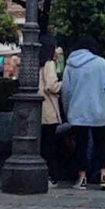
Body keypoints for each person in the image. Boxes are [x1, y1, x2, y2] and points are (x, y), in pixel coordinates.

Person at [61, 37, 105, 190]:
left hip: (77, 112)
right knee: (101, 144)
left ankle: (82, 177)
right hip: (98, 111)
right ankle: (104, 176)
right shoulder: (101, 63)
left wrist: (68, 111)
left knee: (81, 145)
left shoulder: (70, 66)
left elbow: (65, 91)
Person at [39, 46, 64, 182]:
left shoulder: (38, 64)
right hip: (48, 108)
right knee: (49, 144)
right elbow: (51, 86)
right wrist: (64, 83)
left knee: (44, 143)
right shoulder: (49, 64)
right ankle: (50, 175)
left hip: (39, 109)